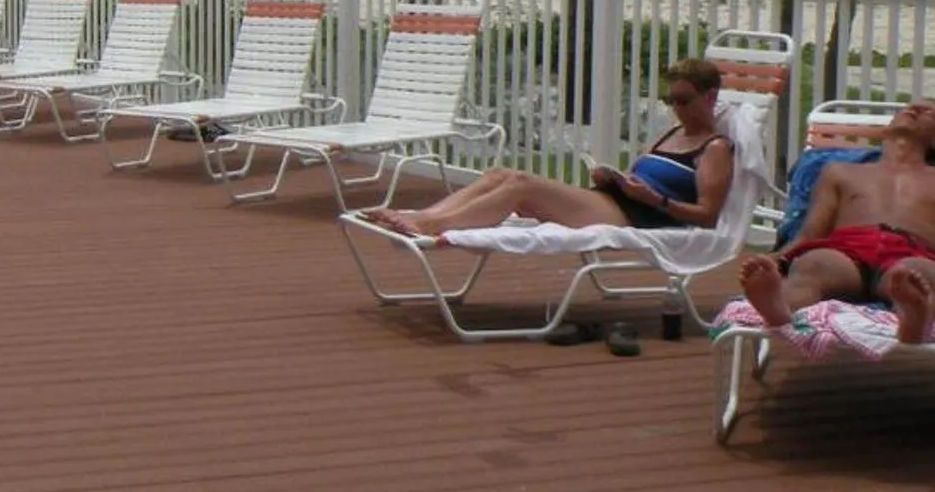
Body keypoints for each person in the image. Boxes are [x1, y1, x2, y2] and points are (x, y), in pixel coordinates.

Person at [359, 57, 737, 240]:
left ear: (710, 97)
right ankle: (423, 215)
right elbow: (638, 176)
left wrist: (655, 200)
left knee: (520, 183)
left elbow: (706, 215)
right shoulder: (669, 133)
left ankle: (430, 227)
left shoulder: (714, 148)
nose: (677, 108)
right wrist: (613, 177)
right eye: (671, 100)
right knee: (499, 174)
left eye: (684, 100)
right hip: (615, 200)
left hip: (638, 218)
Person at [739, 98, 935, 343]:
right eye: (906, 108)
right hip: (846, 247)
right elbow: (811, 233)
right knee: (814, 265)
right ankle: (779, 309)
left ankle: (913, 319)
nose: (914, 110)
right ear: (887, 128)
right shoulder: (839, 171)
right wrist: (779, 257)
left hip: (910, 248)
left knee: (917, 275)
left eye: (928, 111)